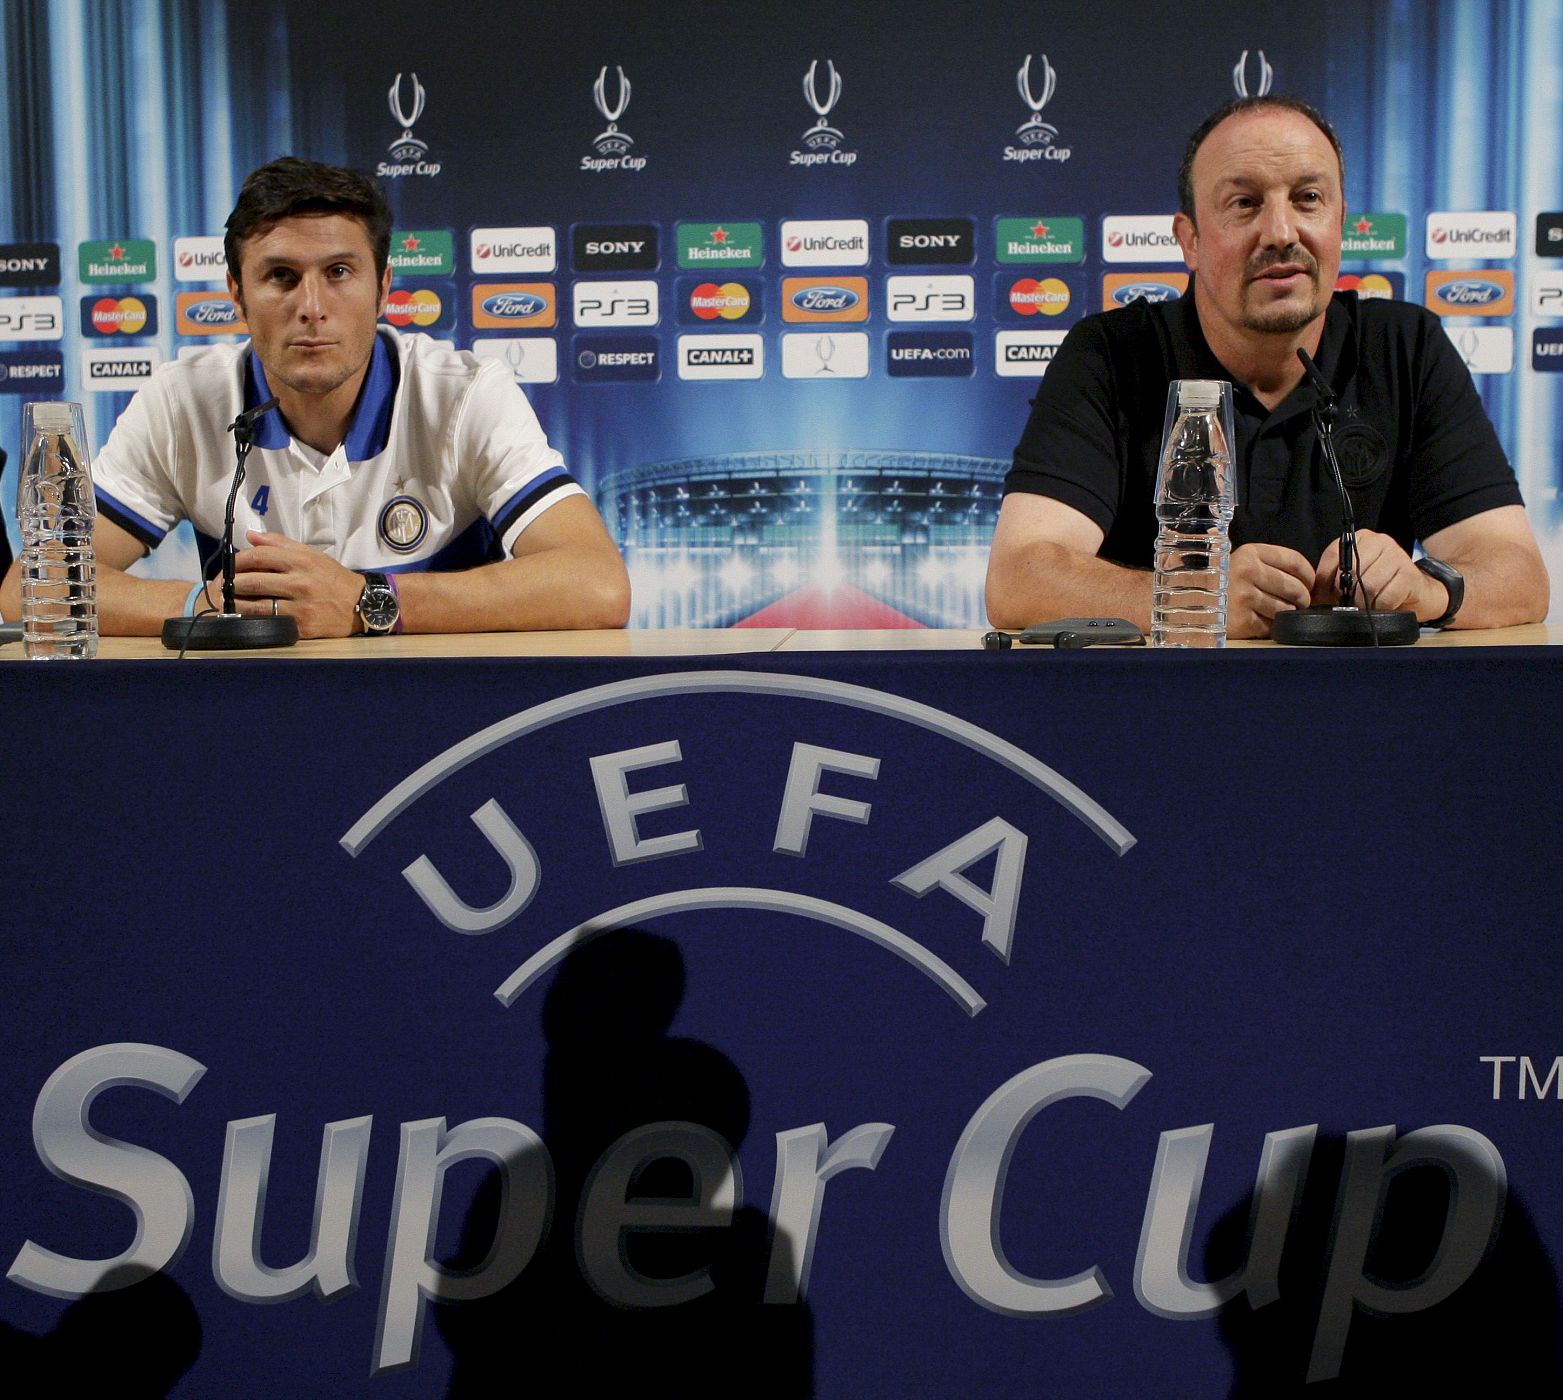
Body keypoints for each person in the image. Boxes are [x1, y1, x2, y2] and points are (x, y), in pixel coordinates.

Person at [986, 96, 1549, 637]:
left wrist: (1425, 592)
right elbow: (1017, 581)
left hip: (1361, 710)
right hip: (1155, 712)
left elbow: (1519, 575)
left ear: (1341, 222)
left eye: (1308, 198)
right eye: (1244, 203)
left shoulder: (1406, 345)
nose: (1281, 233)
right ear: (1190, 240)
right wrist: (1194, 598)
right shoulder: (1108, 354)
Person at [0, 157, 629, 637]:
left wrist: (364, 601)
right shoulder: (183, 399)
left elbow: (599, 585)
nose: (311, 308)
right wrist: (210, 606)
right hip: (256, 729)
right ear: (237, 295)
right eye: (280, 276)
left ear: (384, 288)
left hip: (444, 726)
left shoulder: (463, 395)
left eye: (339, 272)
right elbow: (31, 587)